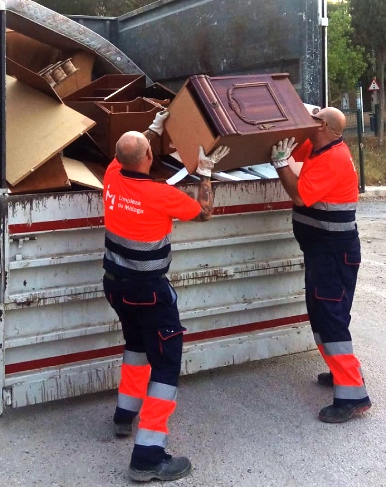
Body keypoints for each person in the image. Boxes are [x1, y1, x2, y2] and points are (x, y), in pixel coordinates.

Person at [102, 110, 230, 482]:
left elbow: (127, 152)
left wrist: (152, 130)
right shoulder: (160, 194)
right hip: (150, 293)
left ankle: (124, 417)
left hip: (116, 287)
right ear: (149, 159)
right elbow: (204, 212)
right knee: (166, 364)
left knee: (137, 346)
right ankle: (147, 457)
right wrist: (205, 171)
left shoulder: (111, 177)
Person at [270, 106, 371, 423]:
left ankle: (353, 394)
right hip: (324, 251)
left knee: (330, 317)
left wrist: (280, 165)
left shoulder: (333, 158)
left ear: (325, 126)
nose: (309, 121)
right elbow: (289, 137)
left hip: (333, 253)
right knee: (324, 312)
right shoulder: (320, 146)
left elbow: (300, 196)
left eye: (315, 118)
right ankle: (341, 372)